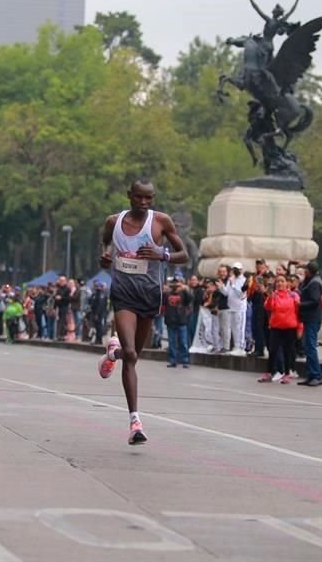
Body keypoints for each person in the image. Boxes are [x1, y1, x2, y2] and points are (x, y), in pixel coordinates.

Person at [96, 179, 188, 445]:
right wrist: (105, 256)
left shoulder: (161, 222)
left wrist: (163, 254)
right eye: (139, 198)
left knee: (132, 355)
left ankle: (113, 353)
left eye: (149, 198)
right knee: (133, 355)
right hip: (123, 293)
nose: (144, 203)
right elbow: (105, 245)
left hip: (149, 294)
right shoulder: (114, 222)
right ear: (130, 196)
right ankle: (135, 422)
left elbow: (184, 254)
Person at [260, 273, 300, 383]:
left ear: (287, 283)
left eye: (282, 281)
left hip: (289, 327)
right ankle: (269, 372)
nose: (280, 283)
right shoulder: (274, 295)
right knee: (272, 350)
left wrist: (300, 327)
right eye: (278, 282)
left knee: (288, 351)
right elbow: (268, 307)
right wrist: (269, 297)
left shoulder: (293, 295)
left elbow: (298, 311)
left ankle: (287, 373)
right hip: (276, 326)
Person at [297, 261, 322, 386]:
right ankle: (310, 374)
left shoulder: (314, 283)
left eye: (306, 270)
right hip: (309, 318)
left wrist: (300, 305)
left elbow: (314, 301)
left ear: (309, 271)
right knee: (308, 347)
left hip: (312, 318)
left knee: (310, 346)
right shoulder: (312, 281)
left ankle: (316, 375)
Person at [163, 275, 193, 368]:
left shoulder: (183, 293)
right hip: (170, 320)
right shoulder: (168, 293)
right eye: (174, 284)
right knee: (172, 342)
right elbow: (162, 301)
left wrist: (185, 289)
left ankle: (185, 360)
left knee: (183, 342)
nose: (175, 287)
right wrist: (164, 290)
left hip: (182, 320)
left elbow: (190, 299)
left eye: (177, 285)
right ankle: (173, 360)